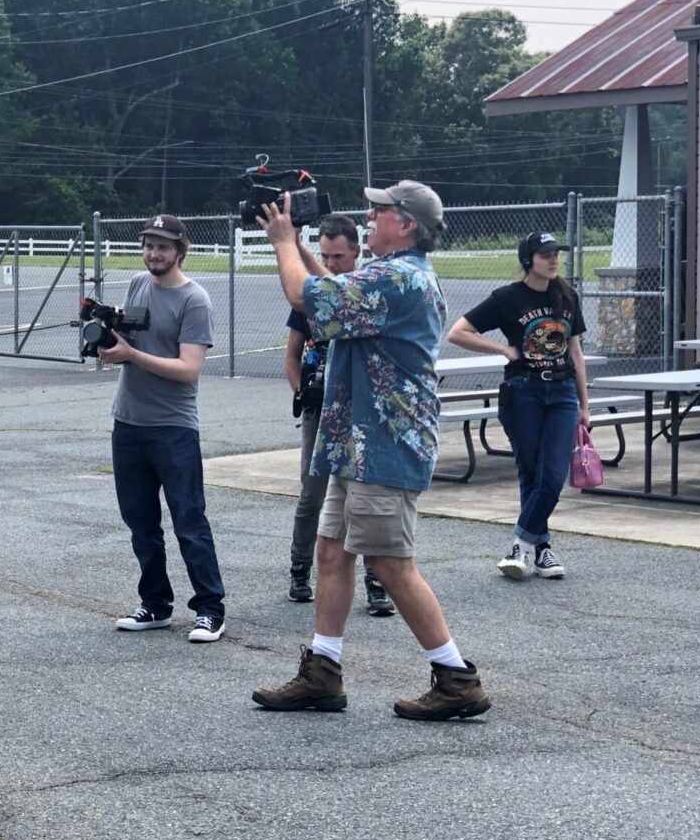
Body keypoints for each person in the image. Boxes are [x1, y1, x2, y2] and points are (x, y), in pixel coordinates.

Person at [252, 182, 490, 722]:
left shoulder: (399, 277)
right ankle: (323, 672)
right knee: (332, 551)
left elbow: (305, 297)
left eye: (379, 210)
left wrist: (283, 241)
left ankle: (456, 677)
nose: (369, 214)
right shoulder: (388, 275)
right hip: (356, 442)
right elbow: (333, 287)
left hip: (383, 443)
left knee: (390, 562)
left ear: (405, 224)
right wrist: (301, 249)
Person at [100, 214, 227, 643]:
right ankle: (155, 603)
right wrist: (106, 337)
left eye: (163, 247)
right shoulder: (138, 284)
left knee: (189, 521)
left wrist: (131, 356)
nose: (155, 253)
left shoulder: (195, 300)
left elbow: (188, 369)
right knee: (140, 522)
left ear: (179, 250)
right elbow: (128, 337)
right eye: (149, 245)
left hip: (173, 427)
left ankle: (210, 608)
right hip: (128, 422)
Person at [447, 232, 590, 580]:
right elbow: (458, 332)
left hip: (561, 394)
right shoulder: (508, 298)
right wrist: (503, 350)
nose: (553, 260)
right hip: (522, 393)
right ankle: (542, 551)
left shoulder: (567, 296)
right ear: (529, 260)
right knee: (530, 471)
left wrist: (585, 405)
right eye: (545, 255)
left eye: (556, 254)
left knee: (554, 475)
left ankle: (520, 545)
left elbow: (575, 352)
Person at [282, 213, 395, 617]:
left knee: (363, 497)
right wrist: (303, 390)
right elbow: (291, 357)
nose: (331, 266)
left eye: (339, 257)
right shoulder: (310, 299)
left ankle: (376, 582)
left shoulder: (362, 293)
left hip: (359, 410)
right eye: (325, 257)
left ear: (356, 253)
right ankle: (300, 570)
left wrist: (295, 248)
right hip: (320, 407)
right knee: (312, 493)